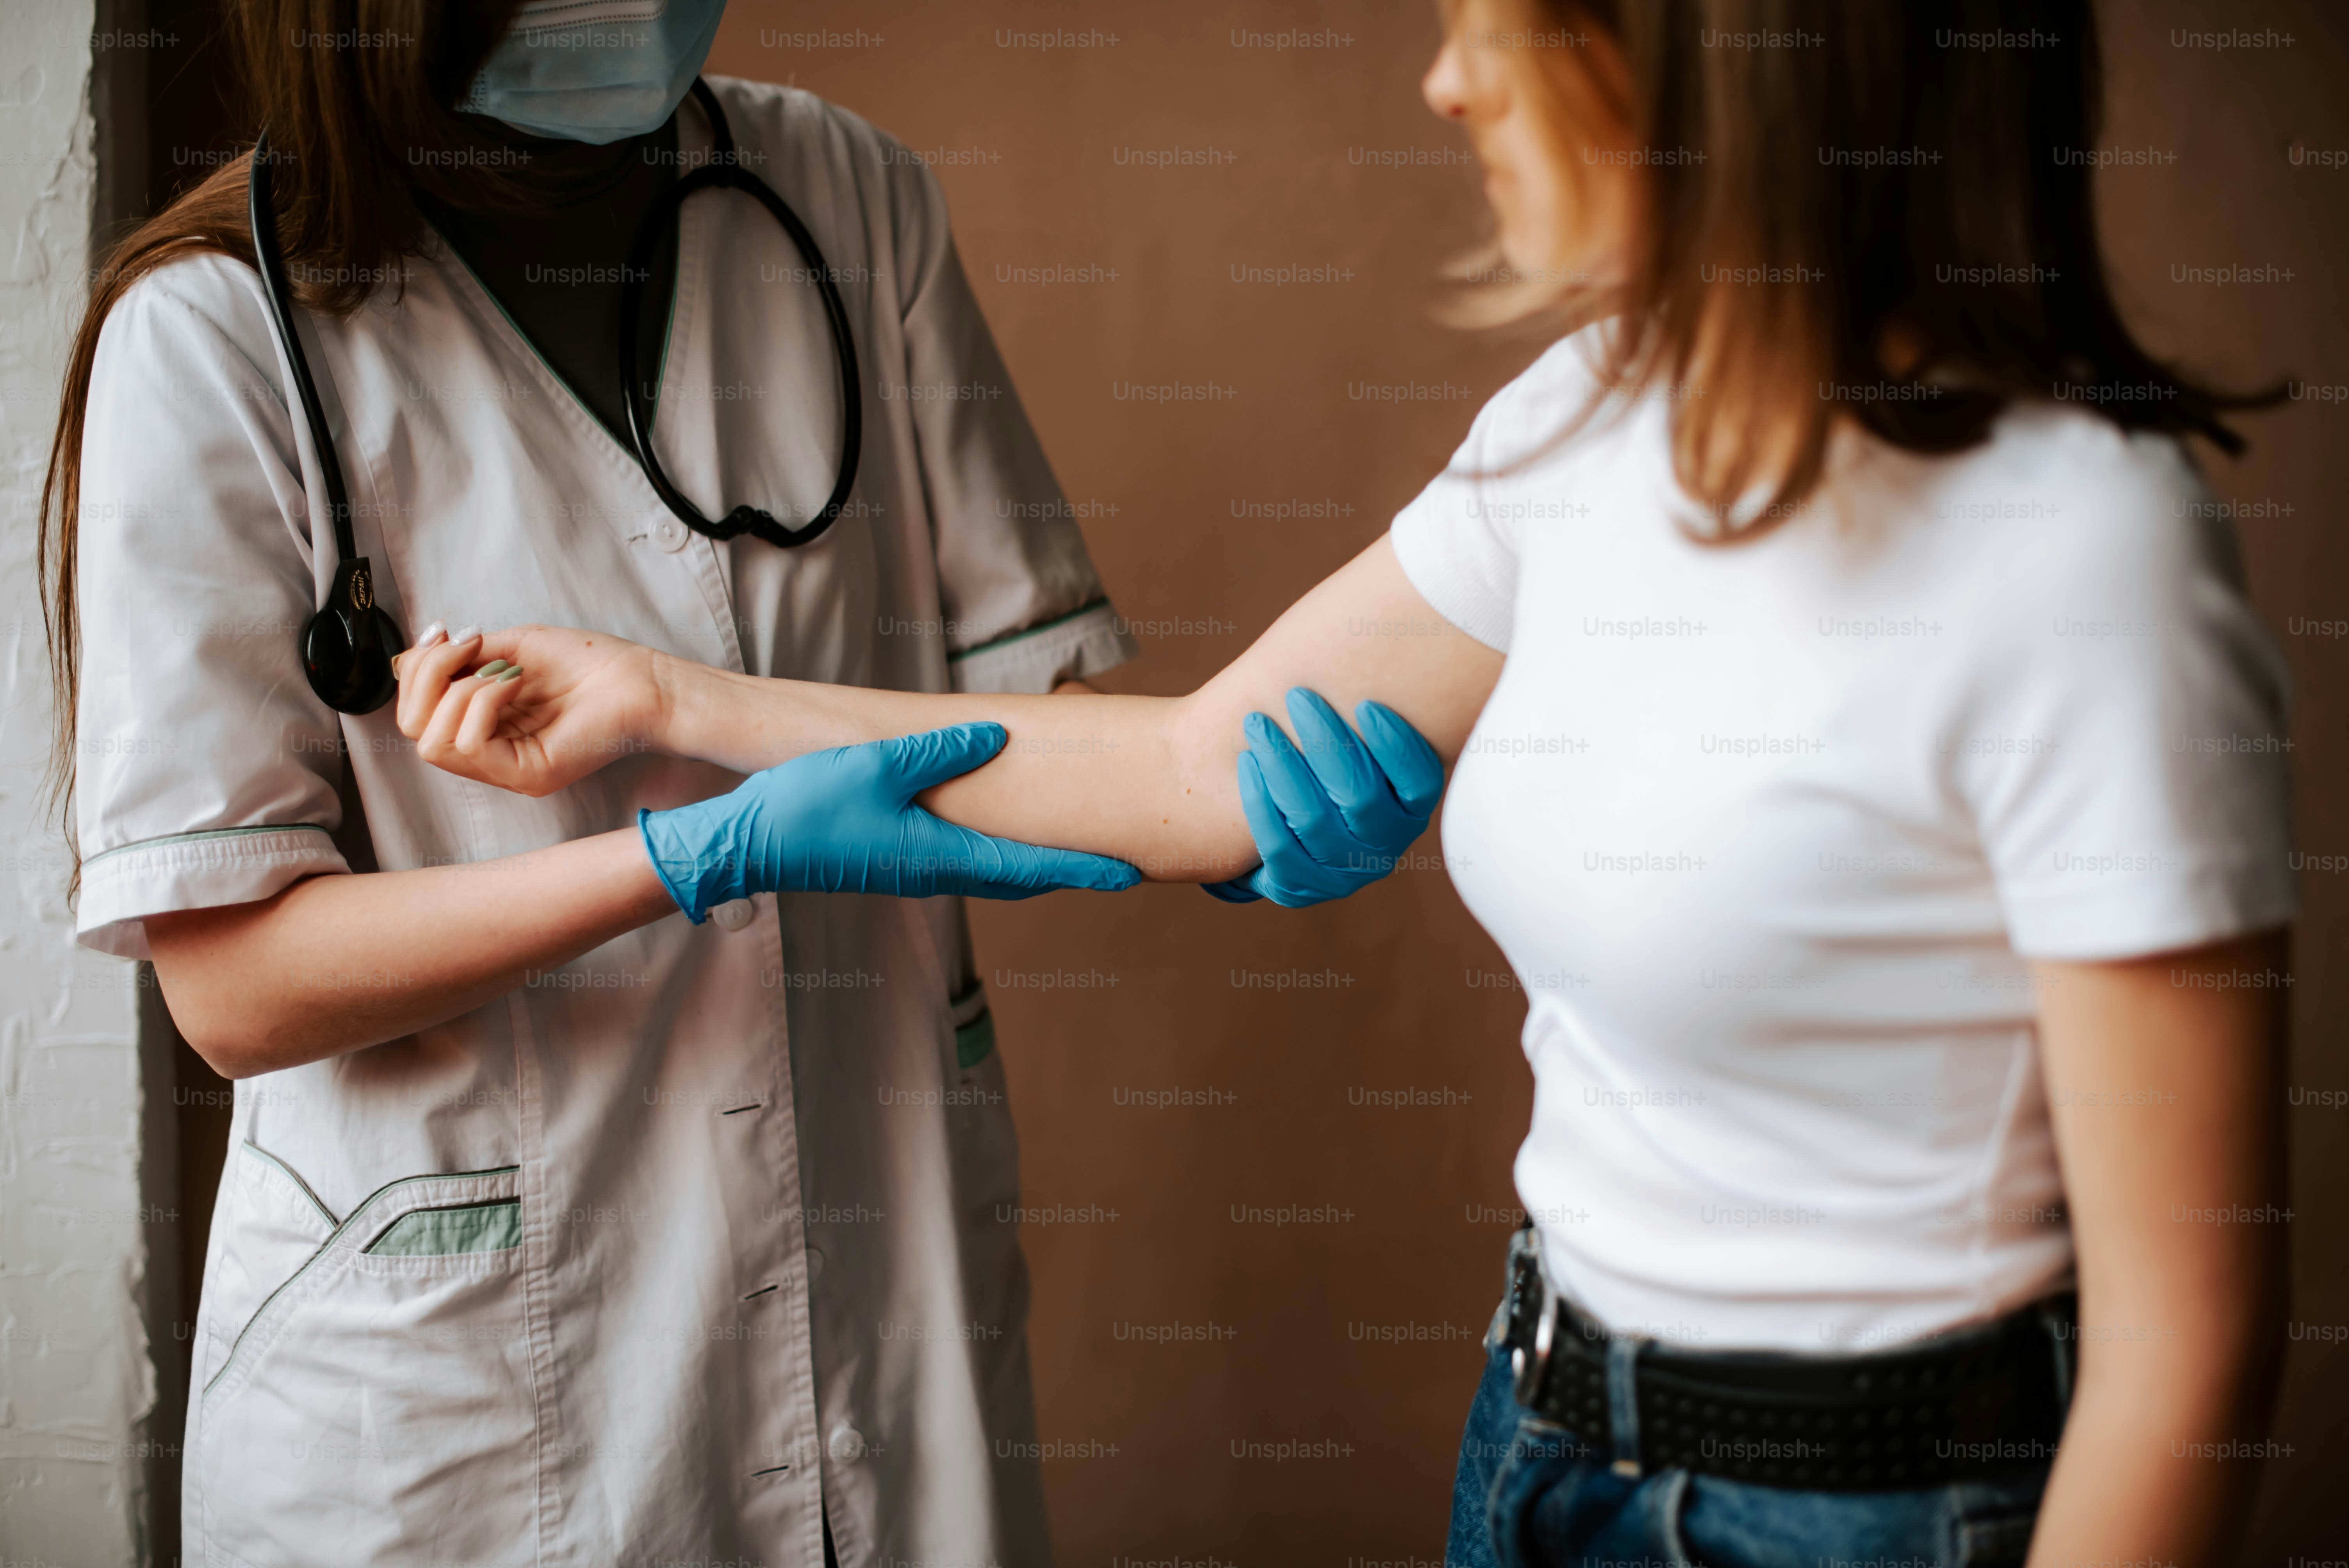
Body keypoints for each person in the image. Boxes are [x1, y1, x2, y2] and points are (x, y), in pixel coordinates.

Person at [394, 2, 2300, 1566]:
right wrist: (668, 699)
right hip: (1537, 1445)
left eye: (1504, 21)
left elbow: (2184, 1341)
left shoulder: (2079, 556)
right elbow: (1191, 764)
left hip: (1869, 1506)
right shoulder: (1584, 420)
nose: (1449, 77)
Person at [39, 2, 1433, 1564]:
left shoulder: (844, 190)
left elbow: (1040, 716)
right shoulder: (217, 328)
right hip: (470, 1388)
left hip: (874, 1255)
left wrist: (1226, 821)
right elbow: (233, 987)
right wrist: (690, 855)